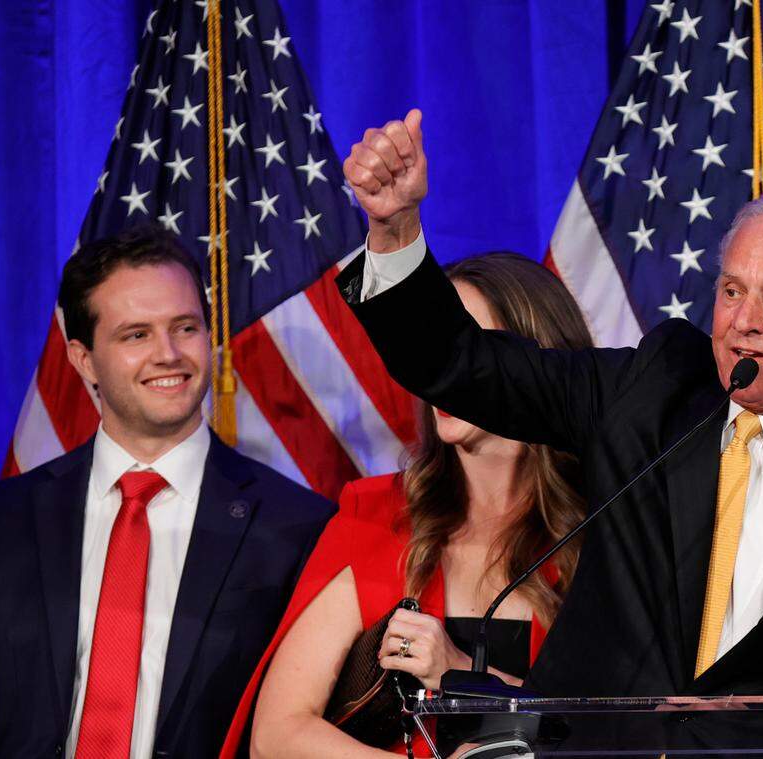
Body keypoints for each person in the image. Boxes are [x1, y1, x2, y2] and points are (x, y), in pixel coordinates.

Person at [329, 109, 763, 747]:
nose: (743, 319)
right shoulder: (651, 396)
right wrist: (393, 233)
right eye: (731, 289)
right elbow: (463, 365)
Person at [0, 226, 334, 758]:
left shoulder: (296, 526)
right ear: (83, 359)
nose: (168, 354)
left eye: (185, 328)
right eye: (136, 335)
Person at [219, 252, 594, 758]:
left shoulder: (601, 530)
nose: (441, 370)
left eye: (466, 348)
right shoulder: (376, 514)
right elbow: (277, 734)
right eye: (433, 349)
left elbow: (607, 725)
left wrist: (461, 671)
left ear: (538, 358)